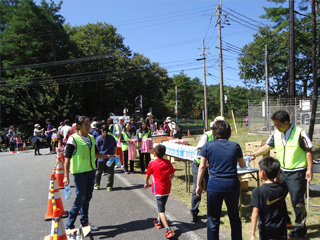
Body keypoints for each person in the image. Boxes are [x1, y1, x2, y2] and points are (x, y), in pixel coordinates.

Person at [249, 110, 313, 238]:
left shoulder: (300, 133)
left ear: (287, 123)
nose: (276, 127)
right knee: (277, 197)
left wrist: (309, 169)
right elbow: (267, 146)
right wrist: (255, 154)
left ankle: (301, 229)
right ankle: (286, 221)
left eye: (278, 124)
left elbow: (308, 150)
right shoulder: (276, 133)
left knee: (297, 201)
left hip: (297, 172)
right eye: (274, 125)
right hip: (282, 172)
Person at [196, 120, 245, 240]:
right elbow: (242, 165)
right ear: (228, 132)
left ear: (214, 132)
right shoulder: (235, 145)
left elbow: (202, 166)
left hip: (214, 185)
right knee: (234, 216)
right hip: (232, 185)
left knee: (213, 219)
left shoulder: (208, 145)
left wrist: (198, 185)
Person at [63, 116, 111, 231]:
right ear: (78, 126)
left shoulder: (91, 138)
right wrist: (66, 176)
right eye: (86, 124)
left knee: (87, 198)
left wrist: (107, 156)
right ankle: (69, 226)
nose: (89, 127)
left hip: (91, 171)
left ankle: (84, 223)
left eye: (89, 124)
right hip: (80, 173)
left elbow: (96, 153)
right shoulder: (73, 139)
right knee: (80, 199)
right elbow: (67, 158)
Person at [190, 116, 225, 222]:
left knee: (212, 188)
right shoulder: (207, 135)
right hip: (199, 165)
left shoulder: (223, 136)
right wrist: (206, 161)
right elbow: (199, 150)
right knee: (197, 187)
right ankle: (194, 212)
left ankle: (212, 210)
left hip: (212, 166)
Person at [251, 157, 288, 240]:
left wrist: (252, 234)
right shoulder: (283, 188)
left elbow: (255, 213)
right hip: (282, 231)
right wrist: (277, 175)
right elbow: (279, 183)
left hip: (266, 232)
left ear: (262, 173)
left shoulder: (258, 191)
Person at [144, 144, 175, 239]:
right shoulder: (168, 162)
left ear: (154, 154)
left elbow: (148, 175)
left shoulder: (152, 163)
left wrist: (146, 183)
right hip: (167, 188)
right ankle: (158, 221)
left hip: (158, 189)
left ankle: (168, 229)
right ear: (165, 153)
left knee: (161, 210)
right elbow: (172, 174)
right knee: (161, 205)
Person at [94, 125, 117, 191]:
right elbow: (115, 146)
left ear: (101, 130)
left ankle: (97, 184)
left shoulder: (98, 138)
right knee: (110, 172)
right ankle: (109, 186)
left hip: (101, 157)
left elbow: (97, 148)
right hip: (111, 157)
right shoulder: (112, 138)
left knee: (99, 171)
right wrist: (114, 154)